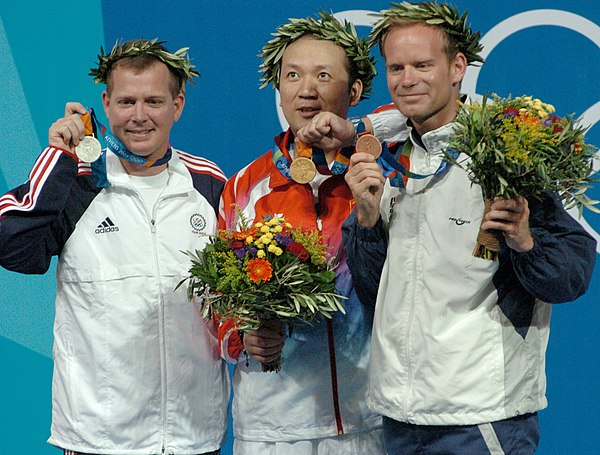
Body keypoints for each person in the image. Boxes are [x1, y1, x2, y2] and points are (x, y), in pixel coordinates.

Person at [298, 2, 597, 454]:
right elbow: (372, 288)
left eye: (422, 65)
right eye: (396, 67)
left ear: (457, 66)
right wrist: (367, 217)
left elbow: (570, 276)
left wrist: (525, 241)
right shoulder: (389, 155)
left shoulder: (508, 153)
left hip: (479, 417)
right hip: (399, 414)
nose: (408, 79)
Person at [0, 39, 229, 454]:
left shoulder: (209, 184)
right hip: (98, 439)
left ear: (177, 105)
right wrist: (57, 158)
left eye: (153, 101)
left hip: (193, 437)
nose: (139, 117)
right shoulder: (76, 181)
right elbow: (13, 249)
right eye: (126, 101)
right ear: (105, 104)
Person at [217, 11, 385, 455]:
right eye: (292, 75)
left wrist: (361, 132)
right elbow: (214, 298)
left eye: (323, 75)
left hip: (370, 419)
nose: (306, 89)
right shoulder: (245, 186)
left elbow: (433, 112)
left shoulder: (380, 174)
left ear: (353, 92)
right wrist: (241, 337)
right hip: (274, 425)